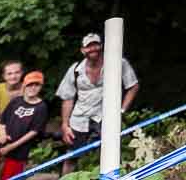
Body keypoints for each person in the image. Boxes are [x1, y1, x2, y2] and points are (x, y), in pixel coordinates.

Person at [55, 33, 136, 174]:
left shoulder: (118, 63)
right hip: (79, 119)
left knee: (111, 157)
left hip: (106, 118)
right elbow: (67, 97)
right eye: (88, 46)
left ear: (101, 46)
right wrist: (65, 125)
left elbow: (133, 86)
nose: (93, 49)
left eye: (95, 45)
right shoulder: (75, 70)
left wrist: (121, 111)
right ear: (82, 50)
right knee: (71, 157)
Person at [0, 73, 51, 180]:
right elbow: (3, 121)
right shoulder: (16, 101)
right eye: (30, 84)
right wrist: (3, 135)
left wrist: (11, 147)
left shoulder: (41, 107)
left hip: (19, 150)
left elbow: (34, 132)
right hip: (2, 144)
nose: (33, 88)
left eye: (37, 85)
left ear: (41, 87)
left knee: (11, 177)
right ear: (24, 85)